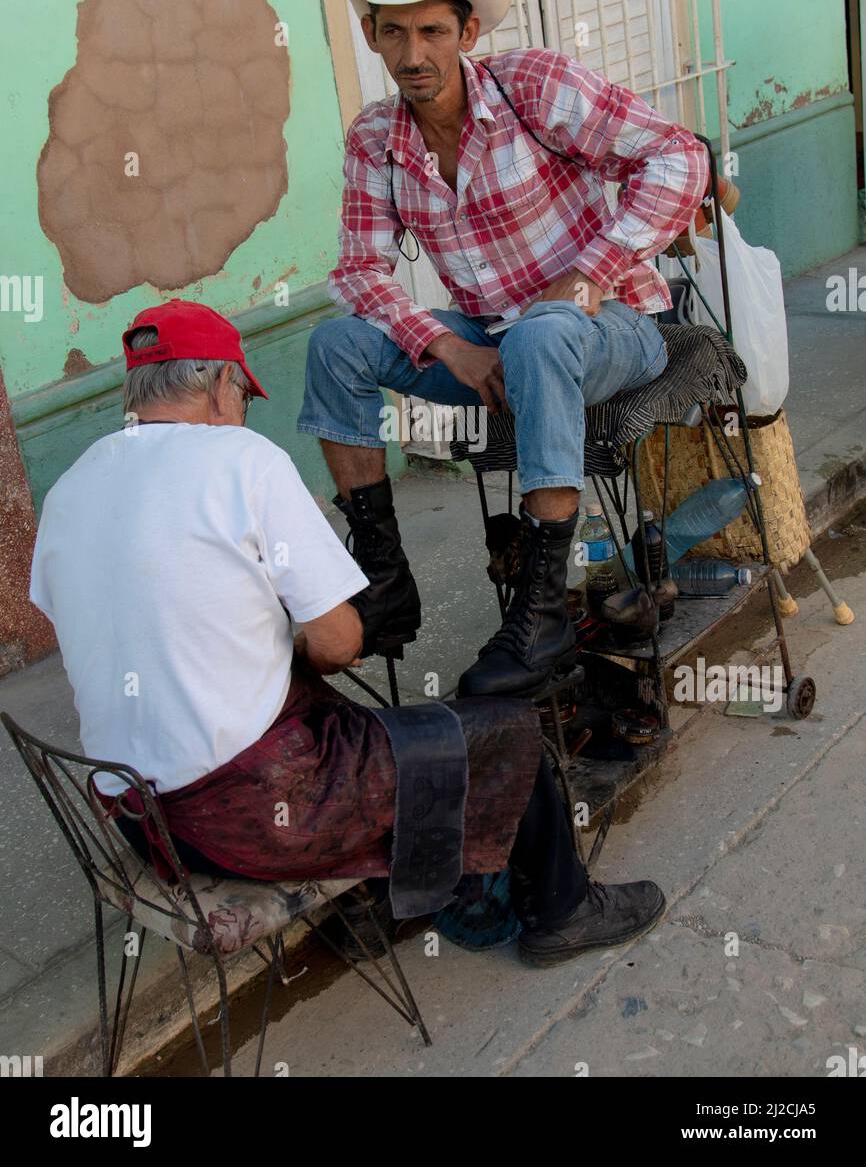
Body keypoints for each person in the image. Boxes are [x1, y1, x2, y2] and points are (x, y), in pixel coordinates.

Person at [29, 299, 665, 966]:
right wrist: (325, 637)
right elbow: (337, 642)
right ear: (221, 385)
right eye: (243, 393)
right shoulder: (241, 461)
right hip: (262, 817)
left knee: (370, 728)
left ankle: (413, 893)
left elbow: (103, 622)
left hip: (142, 824)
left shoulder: (72, 488)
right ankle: (562, 911)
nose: (241, 407)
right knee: (501, 730)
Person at [297, 0, 709, 696]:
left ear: (468, 31)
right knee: (337, 344)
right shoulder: (374, 139)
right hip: (491, 345)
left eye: (431, 31)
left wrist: (590, 275)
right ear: (370, 36)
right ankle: (384, 580)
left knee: (546, 328)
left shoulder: (534, 87)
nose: (413, 55)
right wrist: (445, 345)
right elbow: (358, 270)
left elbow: (679, 155)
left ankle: (544, 611)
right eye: (394, 34)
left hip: (615, 327)